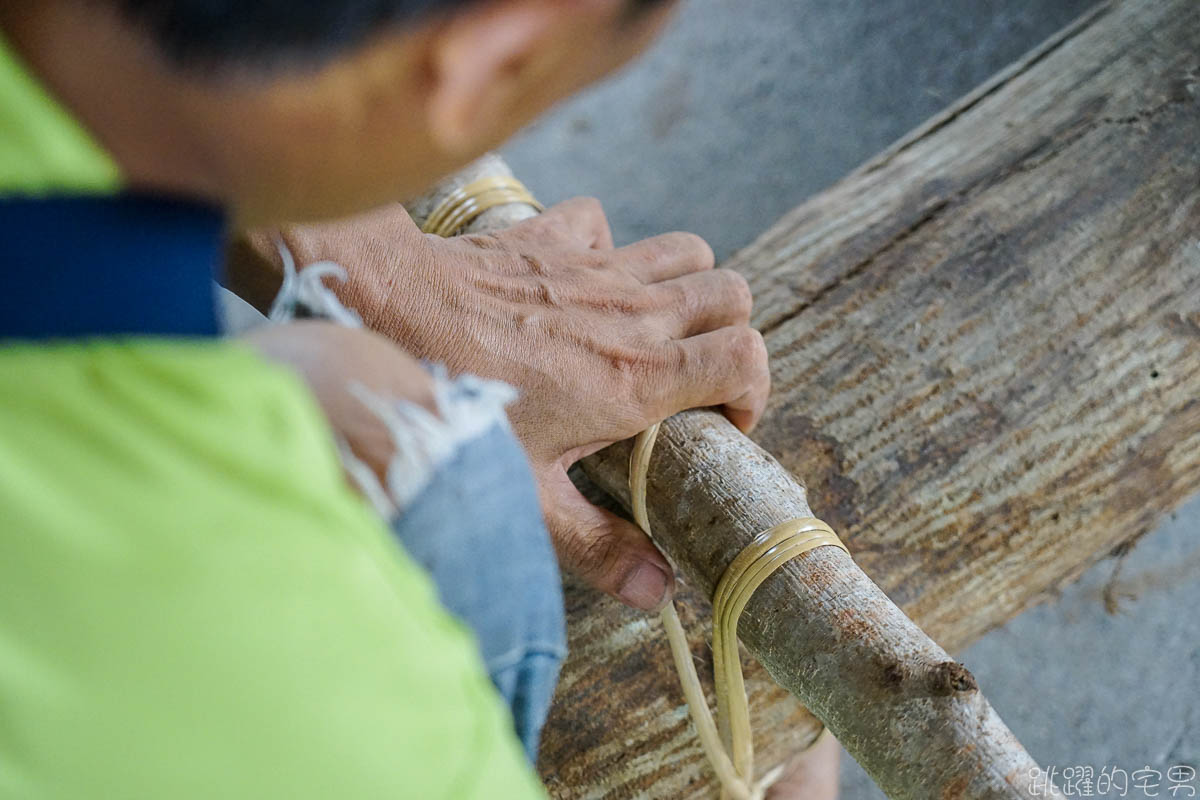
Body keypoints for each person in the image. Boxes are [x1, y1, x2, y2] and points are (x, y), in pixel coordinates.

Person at [0, 0, 836, 796]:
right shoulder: (331, 735)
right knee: (449, 469)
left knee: (359, 388)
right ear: (493, 62)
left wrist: (381, 284)